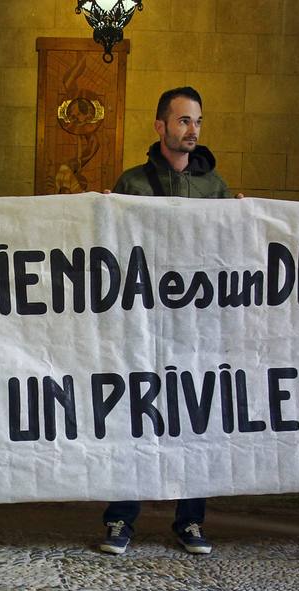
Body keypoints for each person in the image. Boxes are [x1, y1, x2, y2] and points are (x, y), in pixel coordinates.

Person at [98, 86, 239, 557]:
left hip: (193, 328)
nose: (192, 129)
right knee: (132, 417)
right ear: (160, 126)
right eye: (182, 121)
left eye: (197, 121)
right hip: (140, 325)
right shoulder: (133, 183)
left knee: (194, 420)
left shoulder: (214, 187)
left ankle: (191, 520)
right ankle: (120, 517)